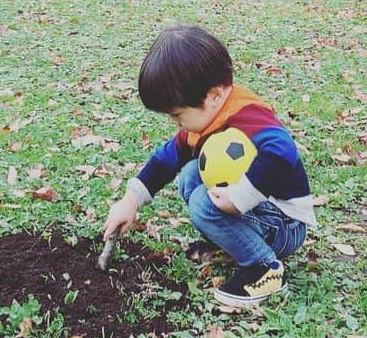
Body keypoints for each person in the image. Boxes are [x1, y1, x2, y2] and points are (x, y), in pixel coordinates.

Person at [103, 25, 315, 308]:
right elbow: (165, 160)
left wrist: (240, 198)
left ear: (214, 96)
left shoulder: (247, 115)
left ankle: (264, 268)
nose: (175, 124)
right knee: (190, 175)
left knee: (203, 201)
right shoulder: (205, 119)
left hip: (285, 224)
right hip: (263, 216)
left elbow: (283, 151)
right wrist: (130, 201)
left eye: (178, 115)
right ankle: (232, 241)